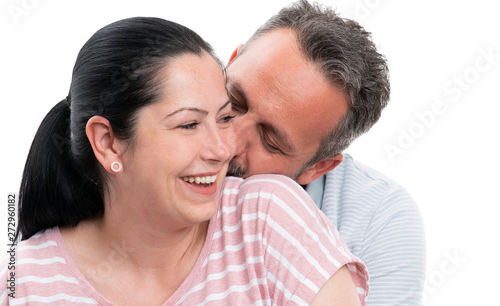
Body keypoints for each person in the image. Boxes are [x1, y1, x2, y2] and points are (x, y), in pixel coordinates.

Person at [1, 17, 368, 305]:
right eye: (190, 124)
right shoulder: (21, 281)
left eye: (221, 117)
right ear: (108, 143)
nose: (224, 149)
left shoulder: (268, 216)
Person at [225, 0, 426, 305]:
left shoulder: (378, 220)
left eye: (269, 140)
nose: (227, 140)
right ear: (230, 62)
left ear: (318, 167)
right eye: (234, 101)